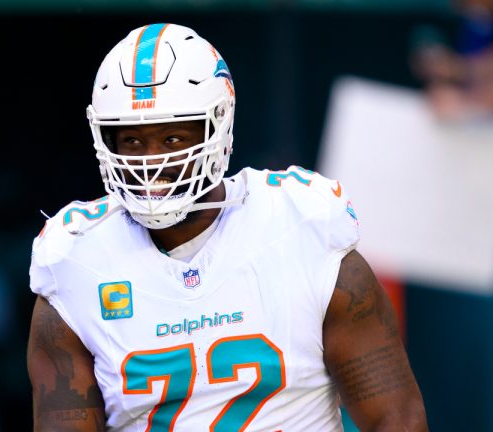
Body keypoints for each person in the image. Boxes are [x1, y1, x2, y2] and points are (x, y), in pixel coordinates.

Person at [27, 23, 427, 431]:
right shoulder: (75, 259)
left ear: (217, 127)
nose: (150, 163)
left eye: (172, 139)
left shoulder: (301, 227)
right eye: (131, 141)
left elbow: (396, 418)